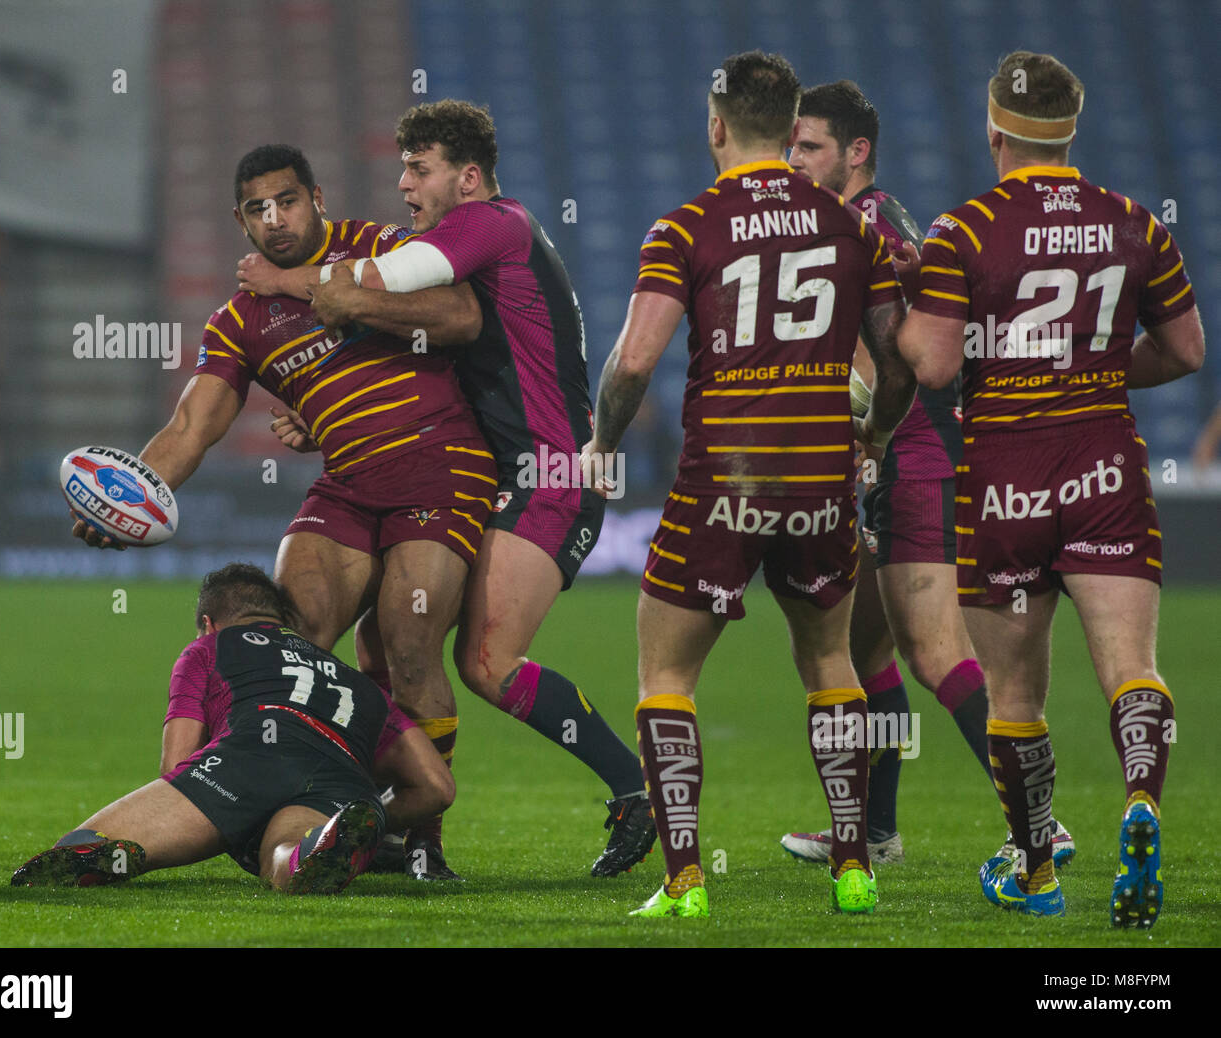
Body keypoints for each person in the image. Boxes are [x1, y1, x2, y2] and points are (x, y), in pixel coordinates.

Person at [240, 103, 657, 878]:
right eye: (402, 167)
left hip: (548, 474)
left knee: (488, 662)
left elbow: (379, 281)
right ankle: (396, 832)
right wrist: (316, 413)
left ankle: (635, 790)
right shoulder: (488, 237)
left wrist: (283, 279)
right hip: (513, 473)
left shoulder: (490, 222)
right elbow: (411, 335)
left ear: (466, 177)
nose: (403, 184)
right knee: (389, 643)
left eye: (419, 168)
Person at [71, 144, 491, 879]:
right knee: (288, 639)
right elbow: (191, 428)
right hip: (348, 485)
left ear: (317, 197)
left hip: (438, 469)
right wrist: (127, 497)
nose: (276, 218)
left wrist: (341, 294)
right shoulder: (241, 320)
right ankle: (300, 816)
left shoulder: (378, 248)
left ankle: (421, 841)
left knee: (408, 640)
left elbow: (460, 314)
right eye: (258, 209)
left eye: (288, 200)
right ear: (241, 222)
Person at [578, 50, 915, 917]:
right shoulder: (855, 228)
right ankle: (854, 865)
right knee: (831, 660)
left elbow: (634, 362)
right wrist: (872, 429)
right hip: (817, 479)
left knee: (666, 674)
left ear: (717, 125)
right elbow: (900, 357)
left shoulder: (686, 225)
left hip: (722, 478)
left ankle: (685, 877)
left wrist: (601, 439)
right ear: (790, 122)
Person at [899, 51, 1203, 924]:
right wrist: (1097, 367)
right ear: (1070, 135)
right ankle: (1139, 802)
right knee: (1132, 669)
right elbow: (1186, 352)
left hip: (1005, 474)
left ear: (995, 130)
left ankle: (1034, 869)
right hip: (1103, 458)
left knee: (1016, 694)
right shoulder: (1136, 224)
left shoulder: (964, 230)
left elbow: (938, 363)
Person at [778, 81, 1074, 868]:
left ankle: (1040, 822)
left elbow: (897, 352)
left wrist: (862, 440)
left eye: (808, 147)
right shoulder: (865, 223)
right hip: (897, 454)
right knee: (869, 655)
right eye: (790, 146)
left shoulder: (867, 223)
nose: (793, 161)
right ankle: (875, 832)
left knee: (936, 650)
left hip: (911, 455)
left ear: (856, 152)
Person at [11, 564, 454, 892]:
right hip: (341, 783)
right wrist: (375, 821)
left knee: (76, 848)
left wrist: (232, 814)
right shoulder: (358, 684)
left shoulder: (209, 648)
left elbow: (178, 762)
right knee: (288, 855)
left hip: (246, 761)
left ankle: (105, 854)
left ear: (208, 622)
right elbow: (437, 787)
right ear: (280, 620)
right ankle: (316, 847)